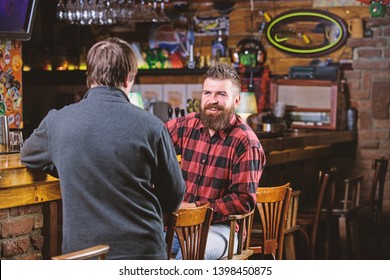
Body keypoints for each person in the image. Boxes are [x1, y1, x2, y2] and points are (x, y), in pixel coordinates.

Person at [21, 37, 185, 260]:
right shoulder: (152, 126)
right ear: (129, 78)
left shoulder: (57, 122)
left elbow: (28, 155)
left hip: (83, 257)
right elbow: (173, 196)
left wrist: (70, 168)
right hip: (143, 252)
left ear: (90, 78)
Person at [165, 63, 266, 259]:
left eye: (221, 94)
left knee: (192, 253)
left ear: (236, 100)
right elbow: (153, 142)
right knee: (133, 245)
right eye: (207, 93)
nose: (212, 100)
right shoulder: (188, 124)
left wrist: (197, 209)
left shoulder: (246, 142)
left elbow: (243, 201)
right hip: (178, 225)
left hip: (222, 229)